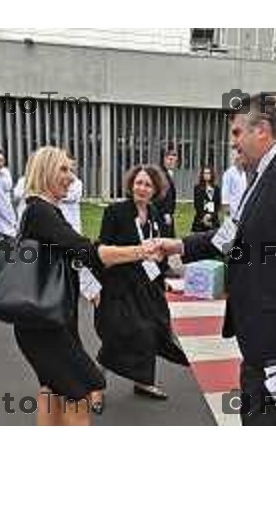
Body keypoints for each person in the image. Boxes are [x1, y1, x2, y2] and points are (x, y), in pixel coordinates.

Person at [161, 94, 276, 426]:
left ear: (262, 130)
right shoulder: (263, 174)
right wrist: (177, 245)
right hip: (262, 340)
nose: (233, 143)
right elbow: (230, 234)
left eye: (237, 133)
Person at [13, 147, 164, 427]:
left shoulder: (44, 211)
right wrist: (141, 251)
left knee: (53, 388)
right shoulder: (41, 212)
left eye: (71, 169)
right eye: (64, 170)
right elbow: (89, 252)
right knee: (81, 388)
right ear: (45, 171)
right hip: (45, 323)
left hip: (47, 319)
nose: (71, 177)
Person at [95, 165, 189, 401]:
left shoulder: (156, 213)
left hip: (148, 285)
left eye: (148, 184)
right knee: (120, 334)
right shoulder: (115, 212)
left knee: (153, 330)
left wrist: (163, 278)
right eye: (138, 182)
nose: (142, 188)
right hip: (119, 285)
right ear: (130, 184)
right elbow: (103, 251)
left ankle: (143, 381)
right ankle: (95, 385)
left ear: (155, 189)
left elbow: (161, 251)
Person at [156, 148, 179, 237]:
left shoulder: (168, 173)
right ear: (164, 160)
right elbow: (161, 195)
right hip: (162, 214)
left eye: (174, 160)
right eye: (169, 159)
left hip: (167, 214)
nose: (171, 162)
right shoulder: (161, 174)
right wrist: (166, 212)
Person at [192, 166, 221, 232]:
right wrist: (204, 216)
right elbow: (197, 204)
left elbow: (217, 205)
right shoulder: (197, 188)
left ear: (211, 175)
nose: (206, 175)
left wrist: (211, 215)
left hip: (213, 219)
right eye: (205, 173)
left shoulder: (216, 189)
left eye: (208, 173)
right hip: (200, 219)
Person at [221, 151, 248, 221]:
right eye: (238, 159)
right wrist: (226, 206)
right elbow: (225, 191)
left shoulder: (244, 173)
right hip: (232, 207)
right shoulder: (229, 173)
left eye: (242, 159)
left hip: (242, 206)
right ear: (235, 160)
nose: (241, 162)